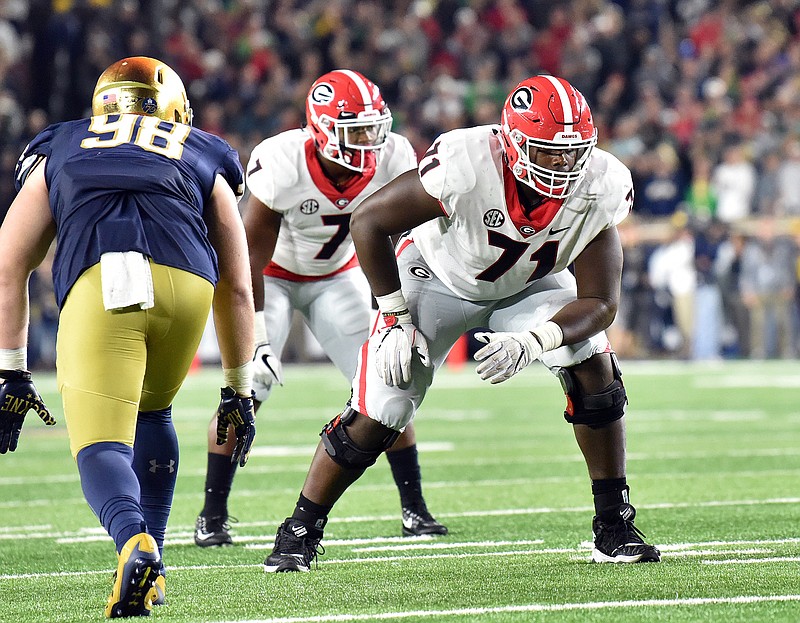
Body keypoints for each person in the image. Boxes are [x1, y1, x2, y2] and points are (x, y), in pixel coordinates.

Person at [263, 74, 660, 572]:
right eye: (548, 151)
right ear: (513, 142)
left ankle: (613, 524)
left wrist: (537, 339)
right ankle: (299, 529)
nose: (564, 164)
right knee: (384, 405)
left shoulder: (602, 183)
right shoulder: (466, 162)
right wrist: (393, 314)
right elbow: (368, 221)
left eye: (574, 151)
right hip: (435, 279)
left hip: (530, 284)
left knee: (593, 365)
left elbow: (601, 300)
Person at [0, 57, 257, 617]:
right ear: (175, 109)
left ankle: (132, 542)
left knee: (100, 444)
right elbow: (238, 285)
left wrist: (12, 369)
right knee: (153, 410)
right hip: (188, 285)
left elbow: (8, 262)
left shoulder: (64, 143)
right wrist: (238, 388)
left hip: (103, 280)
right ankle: (154, 562)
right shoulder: (202, 147)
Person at [194, 69, 447, 547]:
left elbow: (399, 236)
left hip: (338, 276)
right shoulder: (284, 160)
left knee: (387, 379)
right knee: (250, 388)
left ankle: (415, 510)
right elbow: (249, 256)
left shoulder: (394, 155)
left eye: (376, 128)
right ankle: (212, 516)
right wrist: (263, 338)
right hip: (272, 277)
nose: (371, 142)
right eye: (356, 132)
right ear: (323, 128)